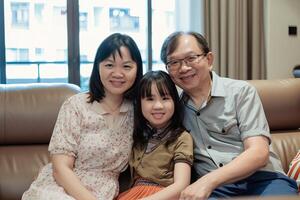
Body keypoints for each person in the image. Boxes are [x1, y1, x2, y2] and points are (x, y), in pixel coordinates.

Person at [160, 31, 298, 199]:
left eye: (191, 58)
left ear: (209, 59)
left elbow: (259, 153)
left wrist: (208, 181)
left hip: (263, 179)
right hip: (216, 190)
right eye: (174, 62)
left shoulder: (241, 92)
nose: (184, 68)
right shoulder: (173, 109)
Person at [22, 33, 143, 200]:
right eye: (109, 65)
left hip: (103, 191)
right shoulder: (75, 106)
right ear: (97, 67)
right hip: (60, 189)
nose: (117, 73)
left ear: (137, 70)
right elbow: (60, 169)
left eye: (127, 67)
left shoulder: (140, 111)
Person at [117, 70, 193, 200]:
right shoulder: (136, 135)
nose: (158, 106)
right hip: (132, 193)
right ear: (139, 104)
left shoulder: (182, 138)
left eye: (165, 98)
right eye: (150, 99)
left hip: (163, 195)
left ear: (175, 101)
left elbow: (181, 185)